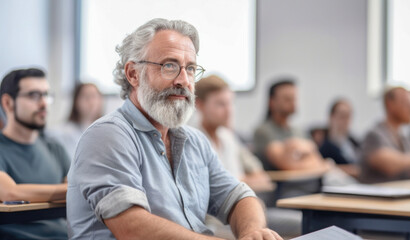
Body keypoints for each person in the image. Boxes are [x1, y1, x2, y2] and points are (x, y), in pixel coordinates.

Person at [66, 19, 281, 240]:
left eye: (190, 68)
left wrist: (252, 232)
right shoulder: (107, 135)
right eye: (169, 66)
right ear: (133, 74)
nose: (184, 80)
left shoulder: (195, 141)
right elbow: (132, 228)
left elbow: (239, 198)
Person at [0, 68, 70, 239]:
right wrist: (74, 189)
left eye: (46, 95)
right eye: (34, 95)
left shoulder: (56, 149)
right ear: (8, 102)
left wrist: (75, 189)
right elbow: (9, 193)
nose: (44, 103)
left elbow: (75, 190)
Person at [195, 75, 272, 191]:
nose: (229, 110)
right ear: (199, 104)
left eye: (230, 103)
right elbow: (214, 187)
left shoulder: (227, 136)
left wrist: (242, 180)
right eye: (221, 104)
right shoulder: (194, 141)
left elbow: (261, 176)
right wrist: (244, 180)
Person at [359, 87, 410, 183]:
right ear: (390, 104)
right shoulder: (374, 135)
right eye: (406, 103)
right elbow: (389, 165)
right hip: (378, 195)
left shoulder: (405, 137)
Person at [253, 80, 328, 172]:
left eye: (294, 98)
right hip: (284, 185)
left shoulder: (298, 131)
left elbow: (318, 160)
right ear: (272, 102)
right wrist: (308, 153)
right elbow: (288, 165)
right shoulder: (263, 131)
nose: (293, 103)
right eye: (287, 99)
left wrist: (292, 147)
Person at [49, 83, 103, 158]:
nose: (92, 102)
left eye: (95, 97)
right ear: (76, 101)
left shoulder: (104, 131)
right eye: (87, 97)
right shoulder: (62, 133)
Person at [319, 99, 361, 165]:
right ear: (331, 117)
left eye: (348, 116)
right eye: (342, 116)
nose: (346, 121)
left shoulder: (355, 142)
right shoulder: (325, 148)